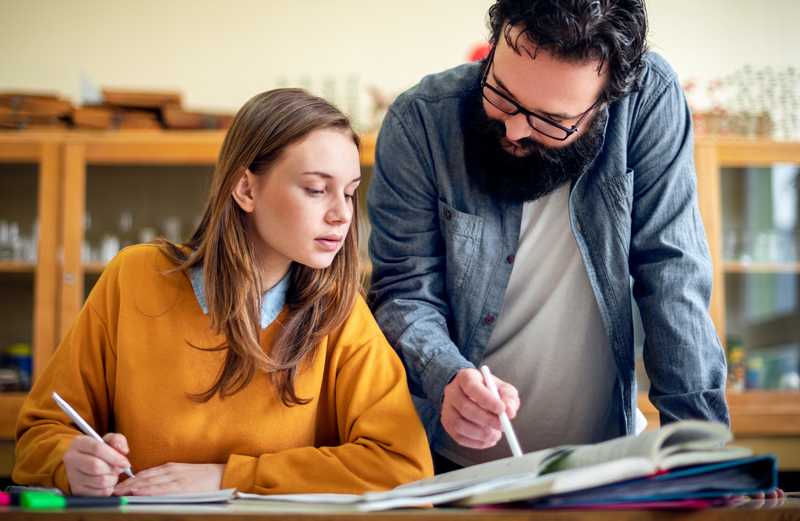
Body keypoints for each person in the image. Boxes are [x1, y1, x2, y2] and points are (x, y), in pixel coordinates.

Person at [367, 0, 731, 472]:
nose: (514, 128)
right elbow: (404, 291)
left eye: (551, 120)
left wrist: (702, 457)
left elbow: (673, 276)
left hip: (605, 458)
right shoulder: (419, 122)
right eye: (501, 93)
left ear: (606, 100)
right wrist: (446, 376)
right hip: (449, 461)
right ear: (494, 42)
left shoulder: (649, 100)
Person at [14, 89, 433, 497]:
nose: (343, 214)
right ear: (246, 189)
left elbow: (404, 467)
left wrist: (228, 477)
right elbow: (38, 437)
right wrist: (68, 462)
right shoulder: (134, 277)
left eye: (348, 191)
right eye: (315, 189)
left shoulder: (340, 313)